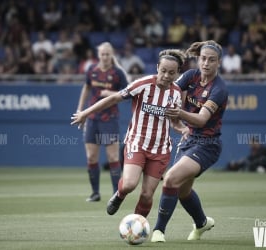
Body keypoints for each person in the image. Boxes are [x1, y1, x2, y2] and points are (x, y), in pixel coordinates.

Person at [71, 49, 186, 218]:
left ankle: (136, 225)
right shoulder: (143, 84)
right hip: (137, 143)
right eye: (163, 71)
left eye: (171, 73)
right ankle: (119, 195)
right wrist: (85, 113)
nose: (166, 75)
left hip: (160, 150)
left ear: (177, 74)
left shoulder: (176, 93)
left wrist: (183, 129)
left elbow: (175, 121)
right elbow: (113, 99)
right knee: (129, 184)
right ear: (157, 68)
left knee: (147, 195)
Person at [151, 40, 229, 242]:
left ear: (218, 62)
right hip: (188, 140)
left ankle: (158, 231)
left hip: (208, 144)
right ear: (198, 58)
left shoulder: (219, 89)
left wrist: (179, 114)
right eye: (203, 58)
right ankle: (202, 223)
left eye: (211, 60)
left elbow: (202, 119)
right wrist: (175, 122)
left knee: (170, 179)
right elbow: (169, 91)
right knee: (183, 191)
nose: (206, 63)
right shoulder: (191, 76)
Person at [74, 42, 129, 202]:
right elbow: (86, 88)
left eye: (107, 54)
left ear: (111, 55)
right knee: (91, 157)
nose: (105, 57)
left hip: (109, 119)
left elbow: (128, 93)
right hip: (92, 118)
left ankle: (116, 194)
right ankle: (95, 193)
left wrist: (110, 93)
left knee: (112, 157)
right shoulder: (92, 70)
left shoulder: (118, 73)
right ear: (98, 55)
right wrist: (80, 109)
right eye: (102, 54)